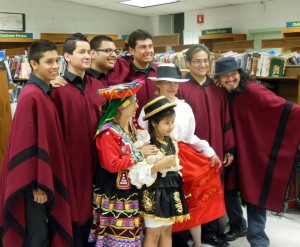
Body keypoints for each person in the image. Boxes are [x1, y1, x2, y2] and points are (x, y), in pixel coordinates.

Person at [214, 56, 300, 247]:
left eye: (233, 74)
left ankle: (258, 239)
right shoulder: (220, 93)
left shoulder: (253, 91)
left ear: (239, 73)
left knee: (254, 193)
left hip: (251, 151)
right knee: (228, 189)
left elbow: (282, 108)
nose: (230, 79)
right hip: (228, 150)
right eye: (224, 76)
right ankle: (238, 225)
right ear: (218, 79)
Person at [138, 63, 225, 247]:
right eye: (168, 82)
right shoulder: (149, 107)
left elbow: (190, 135)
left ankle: (196, 242)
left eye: (175, 83)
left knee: (191, 197)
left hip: (183, 154)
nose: (172, 87)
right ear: (158, 84)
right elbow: (142, 135)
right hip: (158, 157)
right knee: (164, 203)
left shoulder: (184, 108)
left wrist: (208, 151)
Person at [0, 40, 76, 247]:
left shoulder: (42, 92)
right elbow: (25, 144)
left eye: (57, 61)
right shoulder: (32, 96)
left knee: (42, 233)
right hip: (33, 184)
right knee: (36, 236)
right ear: (34, 64)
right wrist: (37, 185)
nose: (54, 66)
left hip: (41, 178)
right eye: (48, 62)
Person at [87, 82, 170, 246]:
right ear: (121, 107)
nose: (137, 106)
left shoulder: (130, 125)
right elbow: (112, 164)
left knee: (132, 226)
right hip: (114, 187)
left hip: (130, 184)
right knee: (118, 228)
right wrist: (140, 153)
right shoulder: (108, 133)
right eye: (134, 102)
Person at [51, 33, 106, 246]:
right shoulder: (57, 89)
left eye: (89, 52)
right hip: (70, 162)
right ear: (66, 56)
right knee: (74, 211)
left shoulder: (99, 88)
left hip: (98, 161)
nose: (87, 56)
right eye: (81, 52)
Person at [177, 44, 235, 247]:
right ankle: (186, 234)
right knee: (190, 193)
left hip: (215, 147)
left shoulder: (217, 88)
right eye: (197, 61)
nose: (203, 65)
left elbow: (226, 118)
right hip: (190, 151)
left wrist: (229, 147)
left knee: (211, 190)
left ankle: (210, 233)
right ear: (188, 63)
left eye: (205, 61)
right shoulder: (181, 88)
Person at [137, 95, 190, 247]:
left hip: (172, 190)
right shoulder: (147, 144)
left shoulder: (171, 141)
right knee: (153, 234)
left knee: (167, 231)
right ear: (154, 123)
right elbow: (141, 172)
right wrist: (162, 164)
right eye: (167, 123)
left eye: (172, 122)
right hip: (154, 192)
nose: (171, 126)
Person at [108, 29, 157, 116]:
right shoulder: (122, 74)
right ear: (131, 50)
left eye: (150, 46)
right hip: (131, 125)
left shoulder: (160, 72)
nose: (148, 51)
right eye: (143, 47)